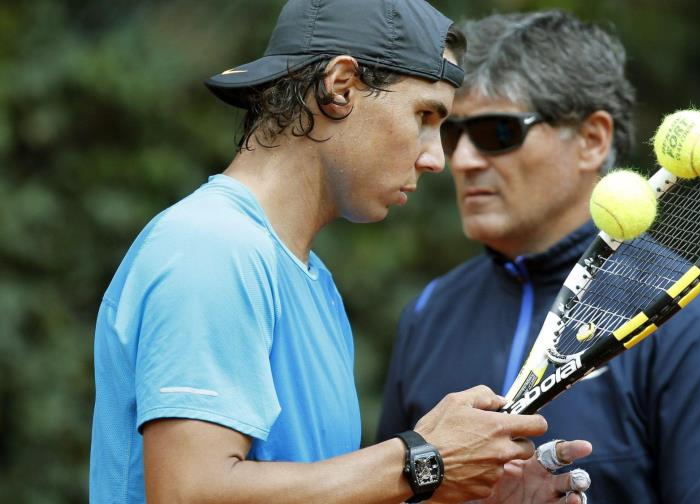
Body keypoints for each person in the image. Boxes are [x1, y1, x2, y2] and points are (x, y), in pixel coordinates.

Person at [88, 1, 571, 502]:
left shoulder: (313, 282)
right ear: (340, 88)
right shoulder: (209, 247)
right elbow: (191, 493)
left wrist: (449, 491)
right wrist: (423, 458)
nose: (436, 158)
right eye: (424, 115)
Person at [377, 10, 700, 504]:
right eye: (454, 133)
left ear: (592, 139)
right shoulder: (429, 312)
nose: (461, 160)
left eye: (498, 132)